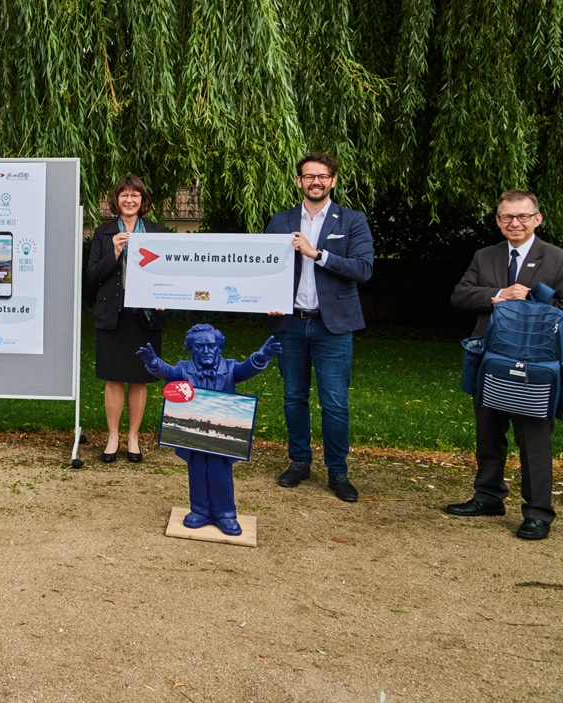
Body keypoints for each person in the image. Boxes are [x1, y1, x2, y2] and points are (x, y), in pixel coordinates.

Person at [446, 189, 563, 540]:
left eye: (523, 216)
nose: (515, 223)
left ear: (537, 219)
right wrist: (497, 295)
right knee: (489, 433)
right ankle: (488, 497)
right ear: (498, 221)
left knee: (534, 441)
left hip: (536, 364)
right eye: (507, 217)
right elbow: (460, 295)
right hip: (489, 359)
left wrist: (533, 295)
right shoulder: (485, 256)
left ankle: (538, 513)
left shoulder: (561, 260)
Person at [264, 152, 373, 502]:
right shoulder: (279, 221)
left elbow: (363, 269)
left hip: (334, 327)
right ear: (299, 181)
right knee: (294, 398)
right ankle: (299, 462)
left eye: (323, 176)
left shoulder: (352, 221)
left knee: (335, 403)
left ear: (333, 181)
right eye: (309, 176)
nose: (316, 182)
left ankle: (338, 472)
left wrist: (317, 254)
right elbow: (264, 267)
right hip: (290, 324)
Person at [137, 326, 281, 535]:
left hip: (221, 432)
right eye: (200, 346)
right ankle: (200, 510)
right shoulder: (183, 369)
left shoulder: (230, 368)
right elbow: (167, 372)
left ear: (219, 347)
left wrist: (260, 358)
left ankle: (225, 513)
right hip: (193, 431)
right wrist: (153, 362)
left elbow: (246, 369)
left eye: (211, 346)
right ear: (191, 349)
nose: (206, 350)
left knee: (219, 470)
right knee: (197, 470)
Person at [85, 174, 167, 463]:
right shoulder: (103, 234)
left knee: (139, 378)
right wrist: (115, 251)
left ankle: (133, 436)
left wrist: (165, 298)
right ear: (116, 200)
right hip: (113, 314)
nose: (129, 200)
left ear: (143, 200)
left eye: (135, 195)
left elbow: (169, 275)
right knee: (114, 378)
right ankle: (112, 436)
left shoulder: (159, 232)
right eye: (124, 195)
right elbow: (93, 275)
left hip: (144, 316)